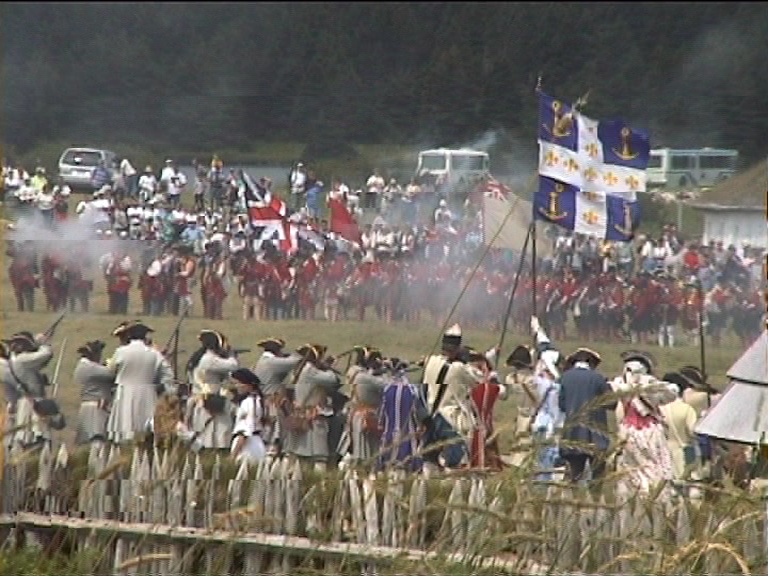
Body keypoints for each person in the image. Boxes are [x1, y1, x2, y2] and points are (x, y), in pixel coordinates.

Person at [612, 351, 676, 498]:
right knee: (649, 465)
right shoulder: (627, 385)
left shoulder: (630, 385)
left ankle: (645, 493)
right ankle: (649, 493)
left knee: (637, 466)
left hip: (632, 430)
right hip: (644, 430)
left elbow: (669, 393)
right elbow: (671, 393)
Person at [421, 324, 485, 471]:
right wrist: (467, 362)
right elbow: (479, 380)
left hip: (431, 414)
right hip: (450, 418)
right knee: (455, 459)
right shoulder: (460, 368)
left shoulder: (431, 361)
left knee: (429, 458)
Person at [106, 321, 174, 444]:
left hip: (125, 392)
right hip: (147, 392)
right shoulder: (154, 353)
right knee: (146, 427)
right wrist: (162, 386)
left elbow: (110, 370)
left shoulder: (121, 351)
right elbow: (167, 373)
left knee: (126, 425)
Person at [558, 346, 615, 484]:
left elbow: (562, 405)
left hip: (573, 431)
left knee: (575, 473)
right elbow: (612, 403)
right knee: (598, 474)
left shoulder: (564, 378)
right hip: (596, 433)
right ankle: (596, 501)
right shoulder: (598, 378)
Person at [283, 344, 342, 471]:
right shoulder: (311, 371)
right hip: (312, 419)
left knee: (300, 456)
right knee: (319, 456)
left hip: (302, 416)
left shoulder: (299, 370)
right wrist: (329, 367)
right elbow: (333, 380)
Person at [185, 330, 239, 451]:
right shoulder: (210, 359)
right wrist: (231, 355)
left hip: (202, 400)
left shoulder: (200, 358)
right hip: (211, 401)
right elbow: (233, 366)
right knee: (216, 436)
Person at [376, 358, 429, 473]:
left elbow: (381, 417)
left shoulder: (386, 390)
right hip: (408, 436)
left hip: (389, 434)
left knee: (388, 467)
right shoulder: (412, 390)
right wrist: (421, 426)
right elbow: (418, 412)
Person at [253, 337, 303, 453]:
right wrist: (300, 353)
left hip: (267, 400)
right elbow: (294, 361)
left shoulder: (263, 361)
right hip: (273, 403)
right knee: (275, 437)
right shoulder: (271, 362)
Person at [6, 331, 55, 448]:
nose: (14, 346)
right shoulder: (23, 359)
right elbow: (46, 354)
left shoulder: (16, 359)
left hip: (25, 400)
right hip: (33, 401)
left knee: (26, 436)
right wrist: (44, 343)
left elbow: (42, 362)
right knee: (37, 435)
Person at [344, 347, 387, 468]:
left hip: (357, 415)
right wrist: (385, 370)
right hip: (367, 417)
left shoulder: (355, 373)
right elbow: (386, 386)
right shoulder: (365, 377)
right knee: (368, 458)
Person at [467, 349, 508, 470]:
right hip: (477, 423)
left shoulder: (477, 376)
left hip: (481, 423)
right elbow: (503, 393)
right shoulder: (476, 379)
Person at [659, 372, 699, 482]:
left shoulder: (658, 408)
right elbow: (693, 432)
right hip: (681, 453)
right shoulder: (686, 409)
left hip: (661, 452)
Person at [74, 340, 115, 446]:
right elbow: (111, 374)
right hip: (94, 406)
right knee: (96, 437)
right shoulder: (89, 367)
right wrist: (111, 365)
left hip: (90, 405)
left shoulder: (85, 366)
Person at [230, 368, 267, 465]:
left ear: (249, 385)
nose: (236, 387)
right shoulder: (258, 400)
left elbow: (245, 432)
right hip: (257, 443)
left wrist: (233, 456)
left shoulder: (249, 403)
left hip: (247, 449)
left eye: (238, 383)